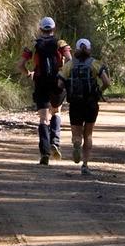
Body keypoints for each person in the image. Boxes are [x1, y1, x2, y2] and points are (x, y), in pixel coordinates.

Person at [20, 18, 71, 165]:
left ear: (41, 29)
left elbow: (20, 64)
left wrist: (29, 73)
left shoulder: (34, 44)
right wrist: (63, 74)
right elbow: (69, 60)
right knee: (56, 112)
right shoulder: (61, 44)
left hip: (40, 82)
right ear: (53, 29)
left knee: (43, 119)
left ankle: (44, 152)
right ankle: (55, 142)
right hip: (57, 82)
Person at [64, 38, 112, 177]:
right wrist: (99, 91)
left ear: (76, 49)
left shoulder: (69, 65)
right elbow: (106, 82)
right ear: (89, 49)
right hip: (91, 103)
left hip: (75, 103)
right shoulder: (95, 64)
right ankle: (85, 165)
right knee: (88, 134)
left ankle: (76, 143)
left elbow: (60, 83)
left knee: (76, 133)